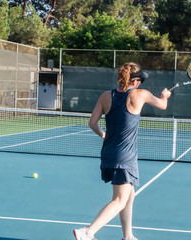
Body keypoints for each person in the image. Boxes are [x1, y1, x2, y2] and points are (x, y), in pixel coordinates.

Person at [73, 63, 171, 240]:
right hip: (125, 157)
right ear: (134, 81)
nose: (140, 83)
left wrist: (104, 136)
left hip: (108, 153)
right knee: (119, 200)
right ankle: (87, 232)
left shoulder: (105, 96)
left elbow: (92, 123)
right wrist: (165, 96)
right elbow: (163, 105)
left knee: (129, 195)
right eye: (140, 80)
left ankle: (128, 236)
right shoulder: (140, 95)